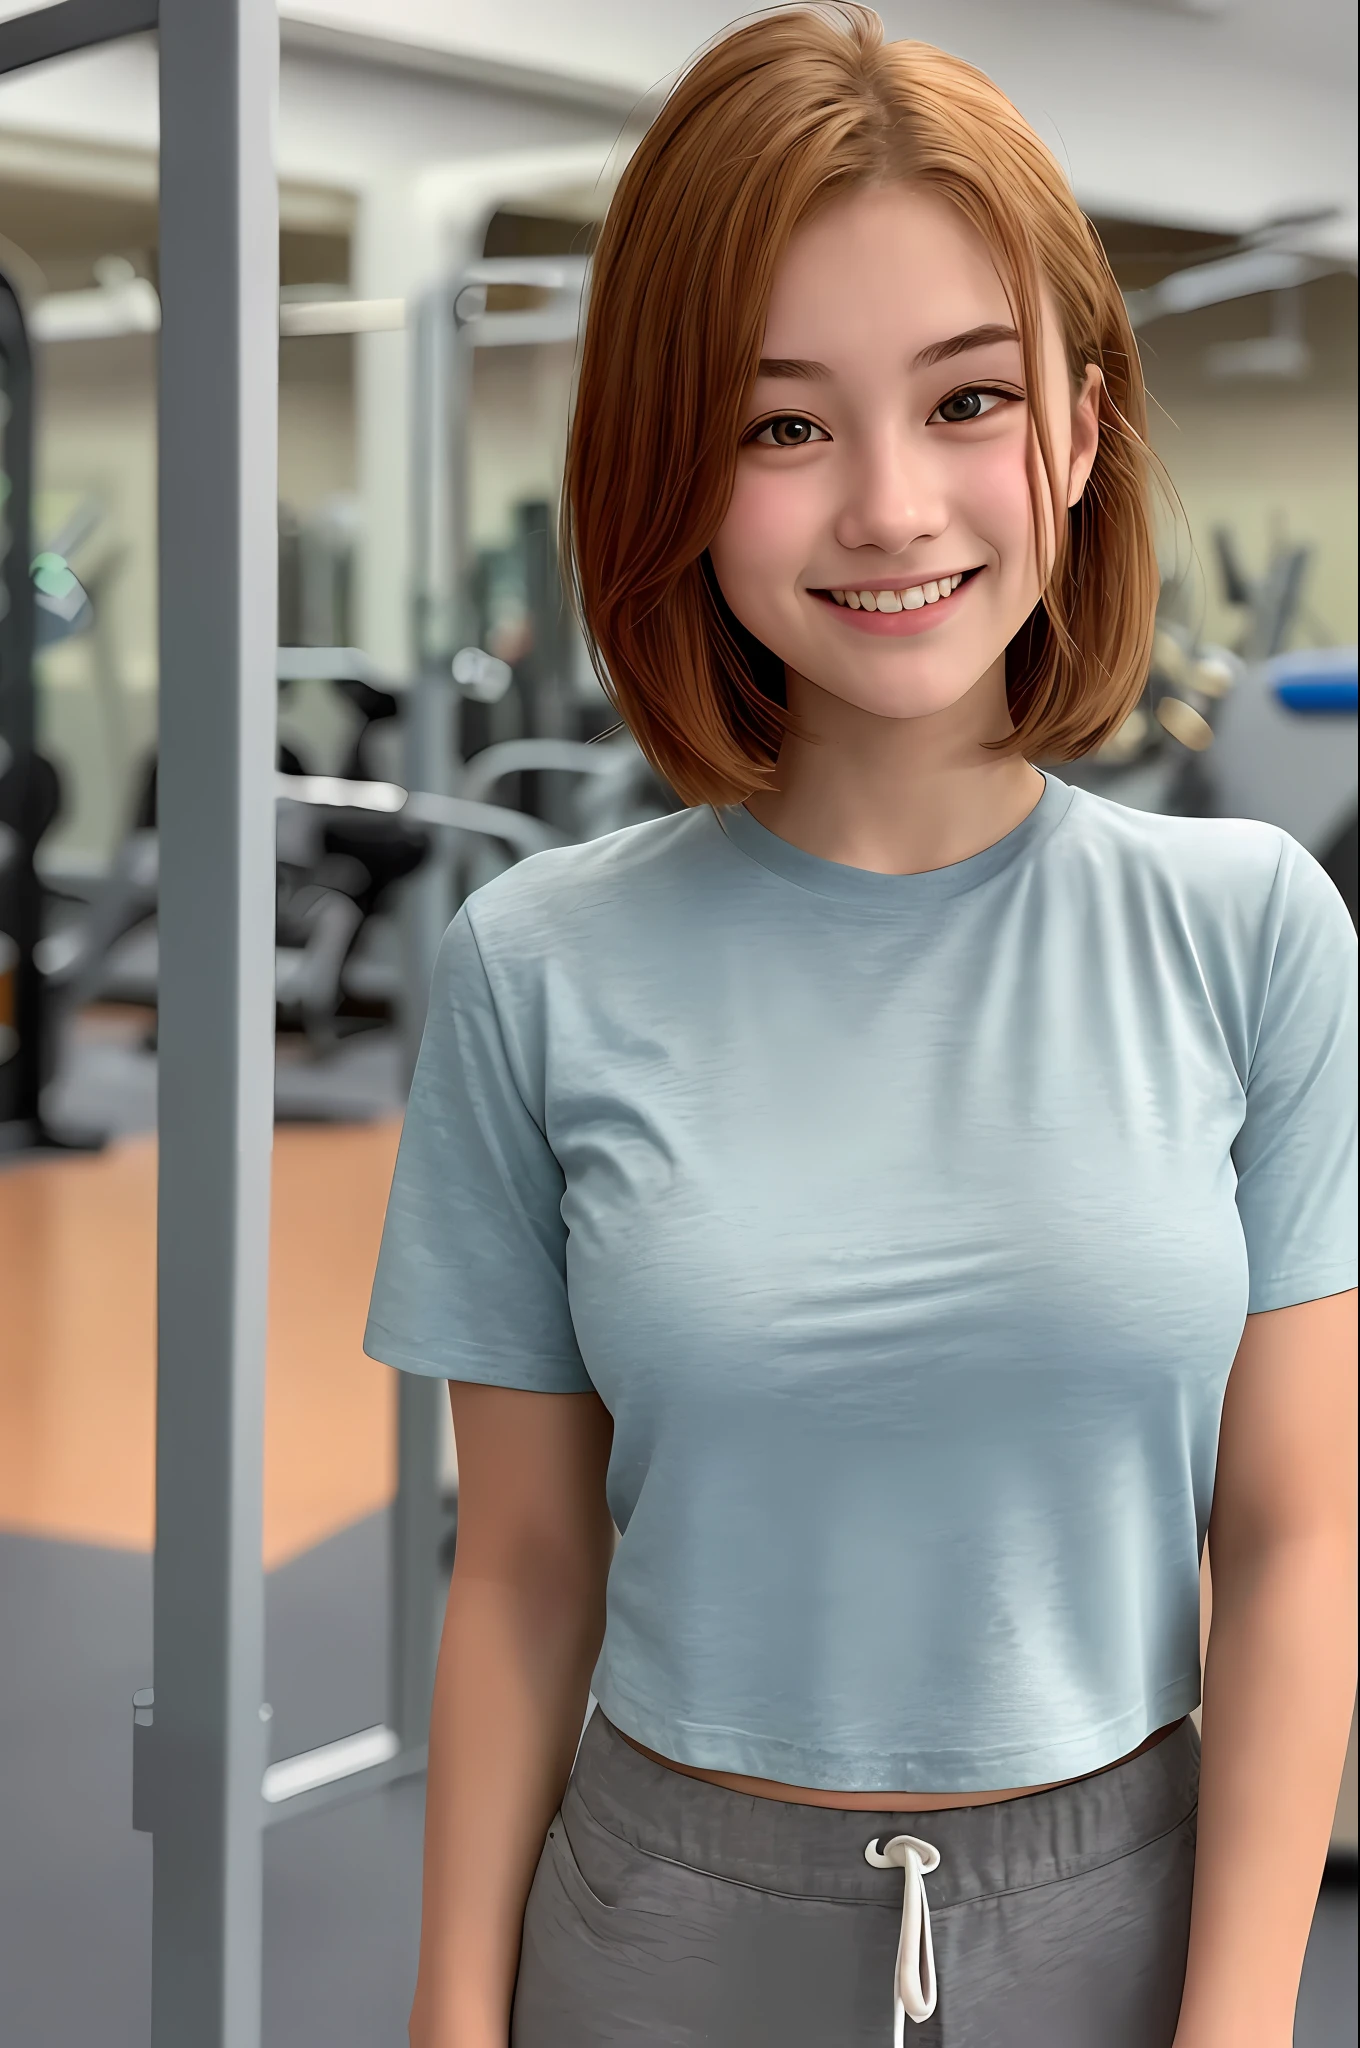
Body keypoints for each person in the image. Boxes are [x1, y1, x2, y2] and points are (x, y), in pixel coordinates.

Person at [364, 9, 1358, 2044]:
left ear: (1077, 431)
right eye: (782, 425)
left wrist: (1238, 2021)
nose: (890, 506)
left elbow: (1288, 1541)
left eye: (964, 400)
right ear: (672, 466)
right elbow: (522, 1575)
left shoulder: (1249, 930)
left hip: (1121, 1936)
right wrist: (450, 2019)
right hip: (656, 1931)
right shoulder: (531, 963)